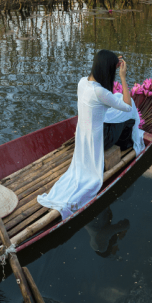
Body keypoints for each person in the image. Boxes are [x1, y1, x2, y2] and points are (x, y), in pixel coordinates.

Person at [37, 50, 145, 219]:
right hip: (102, 140)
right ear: (108, 71)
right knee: (130, 116)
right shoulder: (100, 92)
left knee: (116, 106)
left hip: (83, 137)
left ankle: (123, 140)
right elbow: (127, 106)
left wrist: (110, 61)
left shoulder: (82, 82)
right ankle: (126, 144)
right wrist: (123, 77)